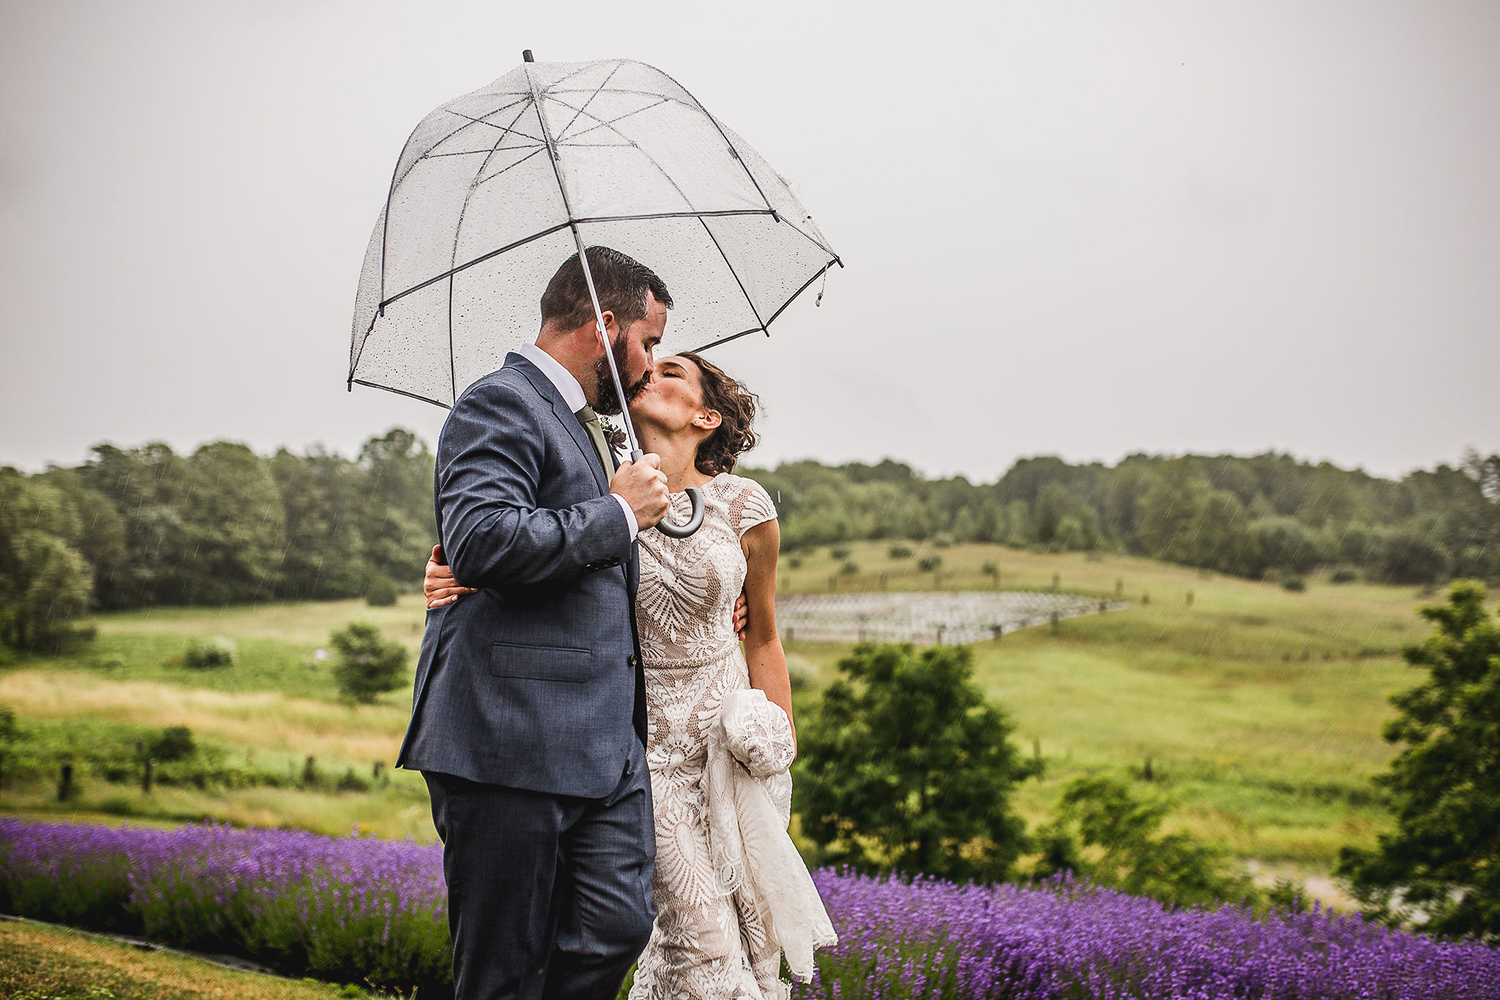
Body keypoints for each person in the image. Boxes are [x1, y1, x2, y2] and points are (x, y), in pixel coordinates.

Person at [425, 352, 836, 999]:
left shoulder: (744, 507)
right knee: (701, 939)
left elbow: (764, 636)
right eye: (650, 364)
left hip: (727, 750)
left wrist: (777, 755)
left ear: (707, 415)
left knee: (748, 934)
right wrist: (449, 576)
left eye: (670, 371)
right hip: (641, 752)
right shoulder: (597, 491)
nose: (650, 374)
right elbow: (519, 545)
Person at [396, 246, 673, 1000]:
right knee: (501, 973)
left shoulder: (589, 427)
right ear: (604, 325)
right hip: (505, 739)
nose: (650, 363)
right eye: (648, 342)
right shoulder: (500, 402)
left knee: (617, 925)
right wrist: (618, 512)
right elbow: (483, 538)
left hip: (603, 748)